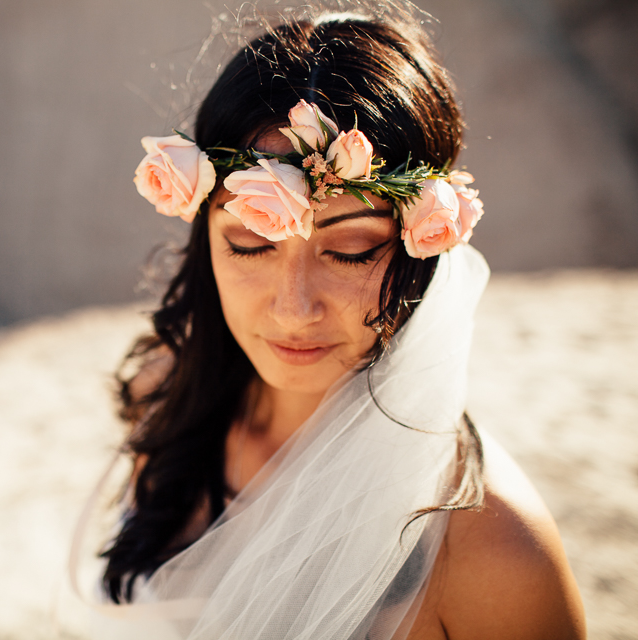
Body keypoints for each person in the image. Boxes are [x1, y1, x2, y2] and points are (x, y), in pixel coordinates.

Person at [73, 7, 586, 639]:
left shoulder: (490, 548)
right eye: (251, 244)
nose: (294, 307)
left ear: (427, 245)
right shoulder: (167, 400)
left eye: (350, 251)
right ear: (203, 238)